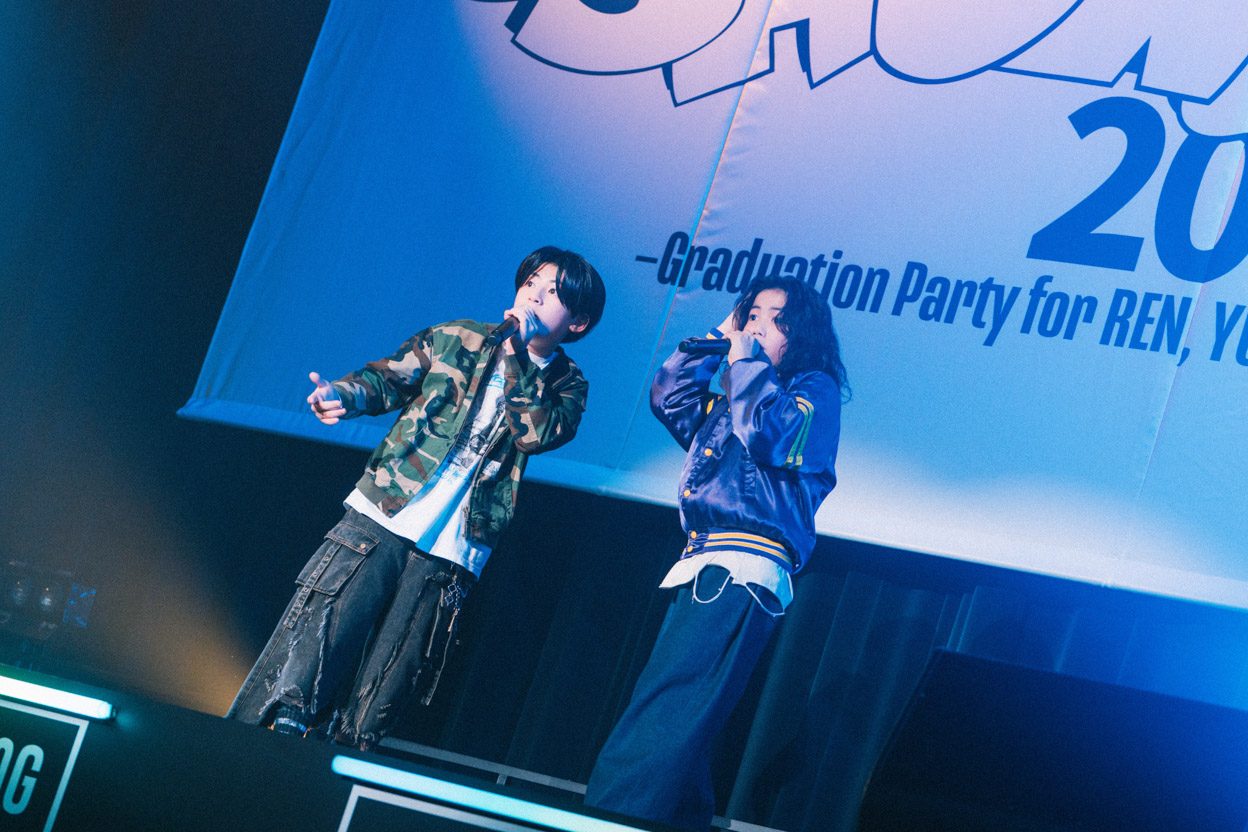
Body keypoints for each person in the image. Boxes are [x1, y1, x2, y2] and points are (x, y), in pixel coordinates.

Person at [227, 246, 606, 750]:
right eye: (530, 282)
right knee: (310, 652)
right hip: (384, 511)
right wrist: (342, 395)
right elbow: (387, 378)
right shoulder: (459, 337)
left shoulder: (567, 384)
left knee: (385, 688)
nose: (534, 295)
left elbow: (535, 434)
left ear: (577, 322)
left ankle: (340, 773)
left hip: (454, 546)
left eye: (552, 292)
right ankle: (256, 745)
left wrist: (517, 355)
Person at [584, 276, 847, 831]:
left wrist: (746, 363)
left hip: (740, 566)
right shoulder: (735, 401)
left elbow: (773, 436)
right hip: (704, 561)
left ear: (800, 333)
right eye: (751, 314)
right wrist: (719, 336)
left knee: (666, 708)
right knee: (687, 718)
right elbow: (670, 398)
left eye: (774, 318)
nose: (757, 325)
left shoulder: (813, 391)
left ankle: (609, 821)